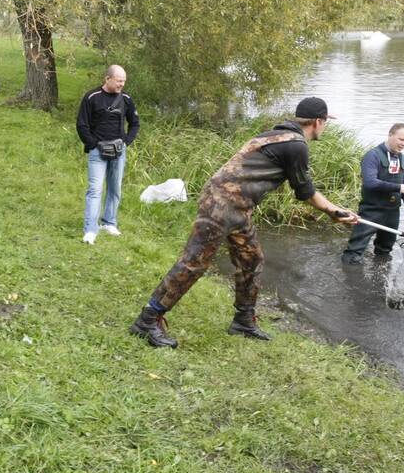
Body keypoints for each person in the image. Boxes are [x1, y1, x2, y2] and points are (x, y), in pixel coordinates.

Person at [129, 97, 357, 348]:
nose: (324, 127)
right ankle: (148, 319)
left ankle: (243, 320)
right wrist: (336, 212)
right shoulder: (296, 146)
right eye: (325, 122)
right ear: (317, 122)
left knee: (252, 259)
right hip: (222, 205)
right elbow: (305, 192)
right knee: (194, 262)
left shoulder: (276, 134)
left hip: (236, 206)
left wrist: (336, 211)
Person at [76, 65, 139, 244]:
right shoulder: (91, 97)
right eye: (119, 81)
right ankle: (90, 230)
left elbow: (135, 123)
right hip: (98, 151)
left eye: (124, 81)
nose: (122, 84)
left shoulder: (126, 99)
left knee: (115, 188)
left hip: (119, 151)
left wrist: (126, 141)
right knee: (95, 190)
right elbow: (82, 125)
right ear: (108, 79)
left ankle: (109, 222)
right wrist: (93, 145)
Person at [341, 123, 404, 264]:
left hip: (392, 213)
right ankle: (351, 279)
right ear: (390, 135)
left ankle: (379, 279)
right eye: (401, 139)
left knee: (385, 251)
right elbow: (370, 183)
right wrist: (398, 188)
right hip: (371, 211)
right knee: (354, 252)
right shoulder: (373, 155)